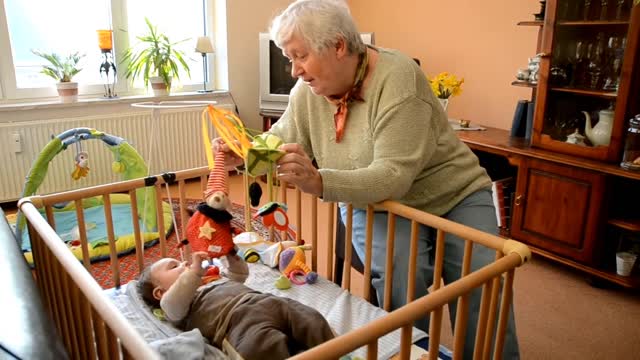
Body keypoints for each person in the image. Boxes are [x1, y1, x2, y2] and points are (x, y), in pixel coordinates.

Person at [218, 0, 520, 358]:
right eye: (288, 58)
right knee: (400, 280)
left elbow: (393, 175)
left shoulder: (399, 78)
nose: (294, 70)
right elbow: (278, 139)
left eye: (299, 56)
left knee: (482, 282)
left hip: (453, 192)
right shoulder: (306, 93)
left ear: (339, 46)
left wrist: (320, 182)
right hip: (371, 201)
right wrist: (245, 151)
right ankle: (411, 353)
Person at [137, 251, 335, 360]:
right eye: (174, 267)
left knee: (311, 320)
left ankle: (338, 353)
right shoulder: (175, 306)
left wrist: (233, 259)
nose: (184, 265)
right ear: (160, 292)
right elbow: (172, 303)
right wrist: (193, 274)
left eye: (182, 262)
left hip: (268, 302)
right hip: (237, 323)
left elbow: (239, 276)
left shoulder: (212, 278)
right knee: (259, 349)